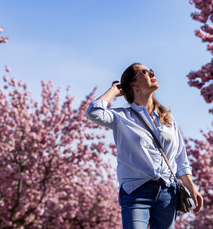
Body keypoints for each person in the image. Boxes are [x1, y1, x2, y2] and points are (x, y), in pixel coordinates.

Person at [86, 63, 203, 229]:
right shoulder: (121, 117)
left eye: (152, 70)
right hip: (135, 191)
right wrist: (114, 91)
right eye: (145, 72)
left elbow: (180, 159)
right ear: (133, 85)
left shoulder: (168, 119)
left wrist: (193, 189)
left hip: (168, 192)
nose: (152, 73)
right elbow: (93, 112)